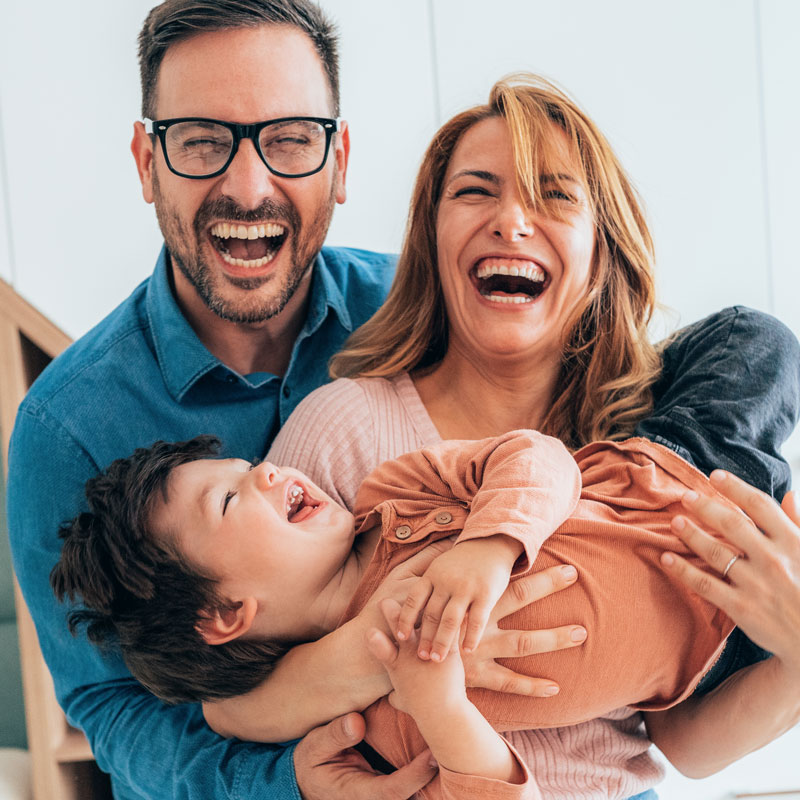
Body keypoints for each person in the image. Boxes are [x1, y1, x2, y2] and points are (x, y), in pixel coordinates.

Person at [3, 0, 793, 794]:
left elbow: (673, 732)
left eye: (289, 139)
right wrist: (340, 726)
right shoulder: (69, 426)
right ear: (147, 162)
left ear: (340, 162)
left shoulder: (439, 304)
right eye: (203, 141)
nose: (248, 185)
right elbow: (121, 709)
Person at [203, 73, 800, 799]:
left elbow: (686, 743)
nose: (511, 220)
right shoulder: (348, 427)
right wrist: (404, 659)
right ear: (432, 237)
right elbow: (236, 699)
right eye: (475, 191)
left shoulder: (655, 423)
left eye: (555, 195)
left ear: (600, 250)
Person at [52, 428, 746, 799]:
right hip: (713, 656)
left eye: (248, 463)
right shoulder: (382, 731)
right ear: (227, 612)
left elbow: (538, 456)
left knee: (756, 341)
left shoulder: (394, 499)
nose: (264, 471)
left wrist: (488, 546)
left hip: (672, 475)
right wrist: (441, 707)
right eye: (231, 499)